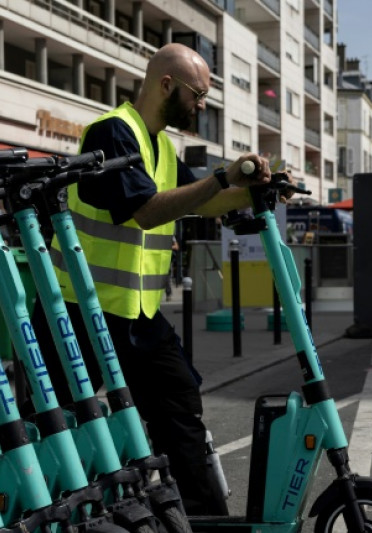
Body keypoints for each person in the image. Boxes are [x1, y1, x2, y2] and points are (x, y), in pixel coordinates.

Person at [31, 42, 287, 515]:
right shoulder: (110, 134)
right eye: (198, 94)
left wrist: (255, 193)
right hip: (78, 310)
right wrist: (221, 178)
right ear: (166, 84)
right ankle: (53, 514)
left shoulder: (162, 147)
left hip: (135, 314)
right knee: (60, 425)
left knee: (178, 399)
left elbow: (203, 202)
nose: (202, 105)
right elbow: (146, 212)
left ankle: (197, 512)